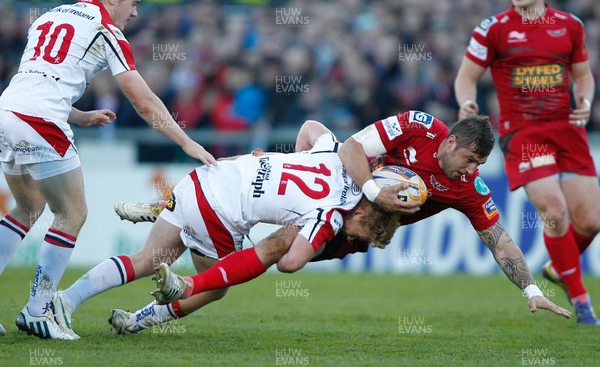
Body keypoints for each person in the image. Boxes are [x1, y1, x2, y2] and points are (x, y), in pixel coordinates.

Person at [145, 112, 570, 334]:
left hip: (360, 228)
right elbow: (352, 147)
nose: (471, 170)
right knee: (304, 137)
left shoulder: (467, 189)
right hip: (344, 189)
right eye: (470, 159)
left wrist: (531, 289)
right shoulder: (418, 127)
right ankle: (178, 215)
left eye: (479, 165)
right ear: (451, 142)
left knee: (280, 252)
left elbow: (500, 240)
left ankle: (158, 303)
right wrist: (372, 190)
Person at [53, 120, 399, 338]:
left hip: (203, 178)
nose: (351, 241)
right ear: (364, 215)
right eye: (359, 236)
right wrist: (309, 237)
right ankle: (141, 319)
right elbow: (290, 263)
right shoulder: (334, 216)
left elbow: (310, 125)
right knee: (216, 286)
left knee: (146, 260)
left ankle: (64, 302)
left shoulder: (335, 155)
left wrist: (293, 161)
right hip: (220, 210)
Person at [0, 0, 216, 340]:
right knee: (72, 212)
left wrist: (79, 116)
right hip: (39, 122)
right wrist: (186, 142)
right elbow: (143, 102)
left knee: (28, 207)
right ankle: (38, 310)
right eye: (133, 2)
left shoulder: (49, 17)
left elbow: (39, 81)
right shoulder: (107, 29)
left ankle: (37, 309)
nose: (135, 12)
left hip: (7, 112)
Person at [454, 0, 600, 325]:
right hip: (524, 134)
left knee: (592, 220)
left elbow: (583, 76)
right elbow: (466, 76)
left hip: (568, 130)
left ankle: (559, 267)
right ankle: (581, 301)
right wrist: (467, 102)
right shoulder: (493, 29)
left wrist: (586, 100)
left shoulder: (571, 25)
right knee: (554, 209)